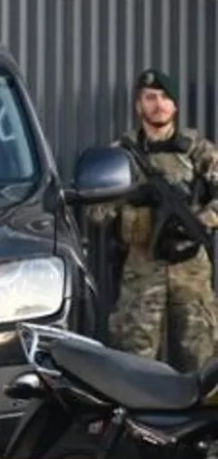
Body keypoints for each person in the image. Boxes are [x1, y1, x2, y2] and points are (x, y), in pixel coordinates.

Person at [89, 69, 218, 371]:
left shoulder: (199, 151)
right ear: (138, 106)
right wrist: (133, 199)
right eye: (149, 97)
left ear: (174, 106)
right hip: (141, 268)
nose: (157, 104)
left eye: (164, 97)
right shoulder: (122, 155)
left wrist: (199, 221)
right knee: (133, 362)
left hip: (191, 270)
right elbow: (96, 213)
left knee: (203, 360)